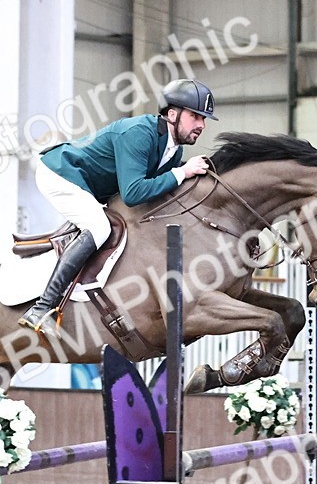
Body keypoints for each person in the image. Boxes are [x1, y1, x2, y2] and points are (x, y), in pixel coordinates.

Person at [18, 78, 218, 334]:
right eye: (195, 116)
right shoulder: (139, 133)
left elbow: (155, 196)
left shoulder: (173, 151)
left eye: (203, 119)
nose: (201, 125)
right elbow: (134, 193)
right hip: (60, 173)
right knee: (99, 227)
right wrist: (182, 174)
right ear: (172, 114)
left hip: (89, 186)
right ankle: (41, 308)